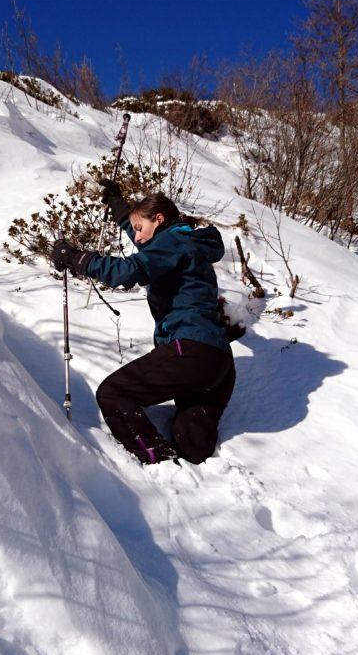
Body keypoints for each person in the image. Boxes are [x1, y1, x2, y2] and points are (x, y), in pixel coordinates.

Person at [50, 181, 241, 466]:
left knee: (114, 393)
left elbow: (131, 270)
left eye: (140, 229)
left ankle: (156, 460)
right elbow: (145, 240)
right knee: (191, 443)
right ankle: (191, 465)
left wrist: (79, 259)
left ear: (159, 219)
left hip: (188, 351)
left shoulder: (173, 242)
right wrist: (118, 206)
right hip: (218, 363)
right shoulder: (189, 243)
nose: (136, 238)